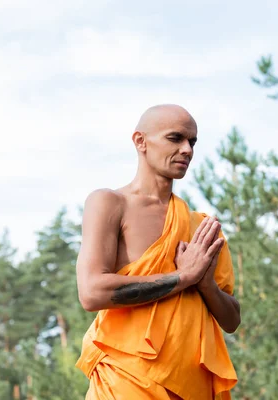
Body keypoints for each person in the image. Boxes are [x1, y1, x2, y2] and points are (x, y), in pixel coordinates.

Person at [75, 104, 241, 400]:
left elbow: (231, 320)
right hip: (127, 378)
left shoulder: (200, 227)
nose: (187, 150)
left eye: (193, 142)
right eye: (175, 138)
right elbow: (92, 292)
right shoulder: (111, 203)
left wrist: (205, 284)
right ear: (140, 141)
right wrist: (182, 277)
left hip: (193, 385)